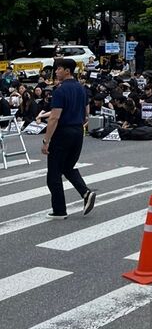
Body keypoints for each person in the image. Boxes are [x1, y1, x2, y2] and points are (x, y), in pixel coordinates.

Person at [42, 59, 96, 220]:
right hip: (78, 131)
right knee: (67, 166)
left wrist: (46, 141)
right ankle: (85, 192)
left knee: (53, 174)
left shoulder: (60, 91)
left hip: (63, 133)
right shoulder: (81, 89)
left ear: (67, 71)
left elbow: (54, 118)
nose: (56, 72)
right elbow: (87, 113)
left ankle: (59, 210)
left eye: (58, 69)